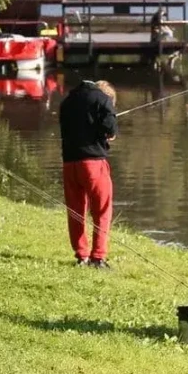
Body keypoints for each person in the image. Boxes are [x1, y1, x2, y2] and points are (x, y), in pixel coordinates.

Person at [59, 80, 117, 268]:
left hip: (69, 163)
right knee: (102, 210)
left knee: (76, 211)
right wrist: (110, 133)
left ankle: (81, 255)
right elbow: (110, 129)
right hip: (93, 163)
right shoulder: (102, 99)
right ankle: (98, 257)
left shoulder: (67, 101)